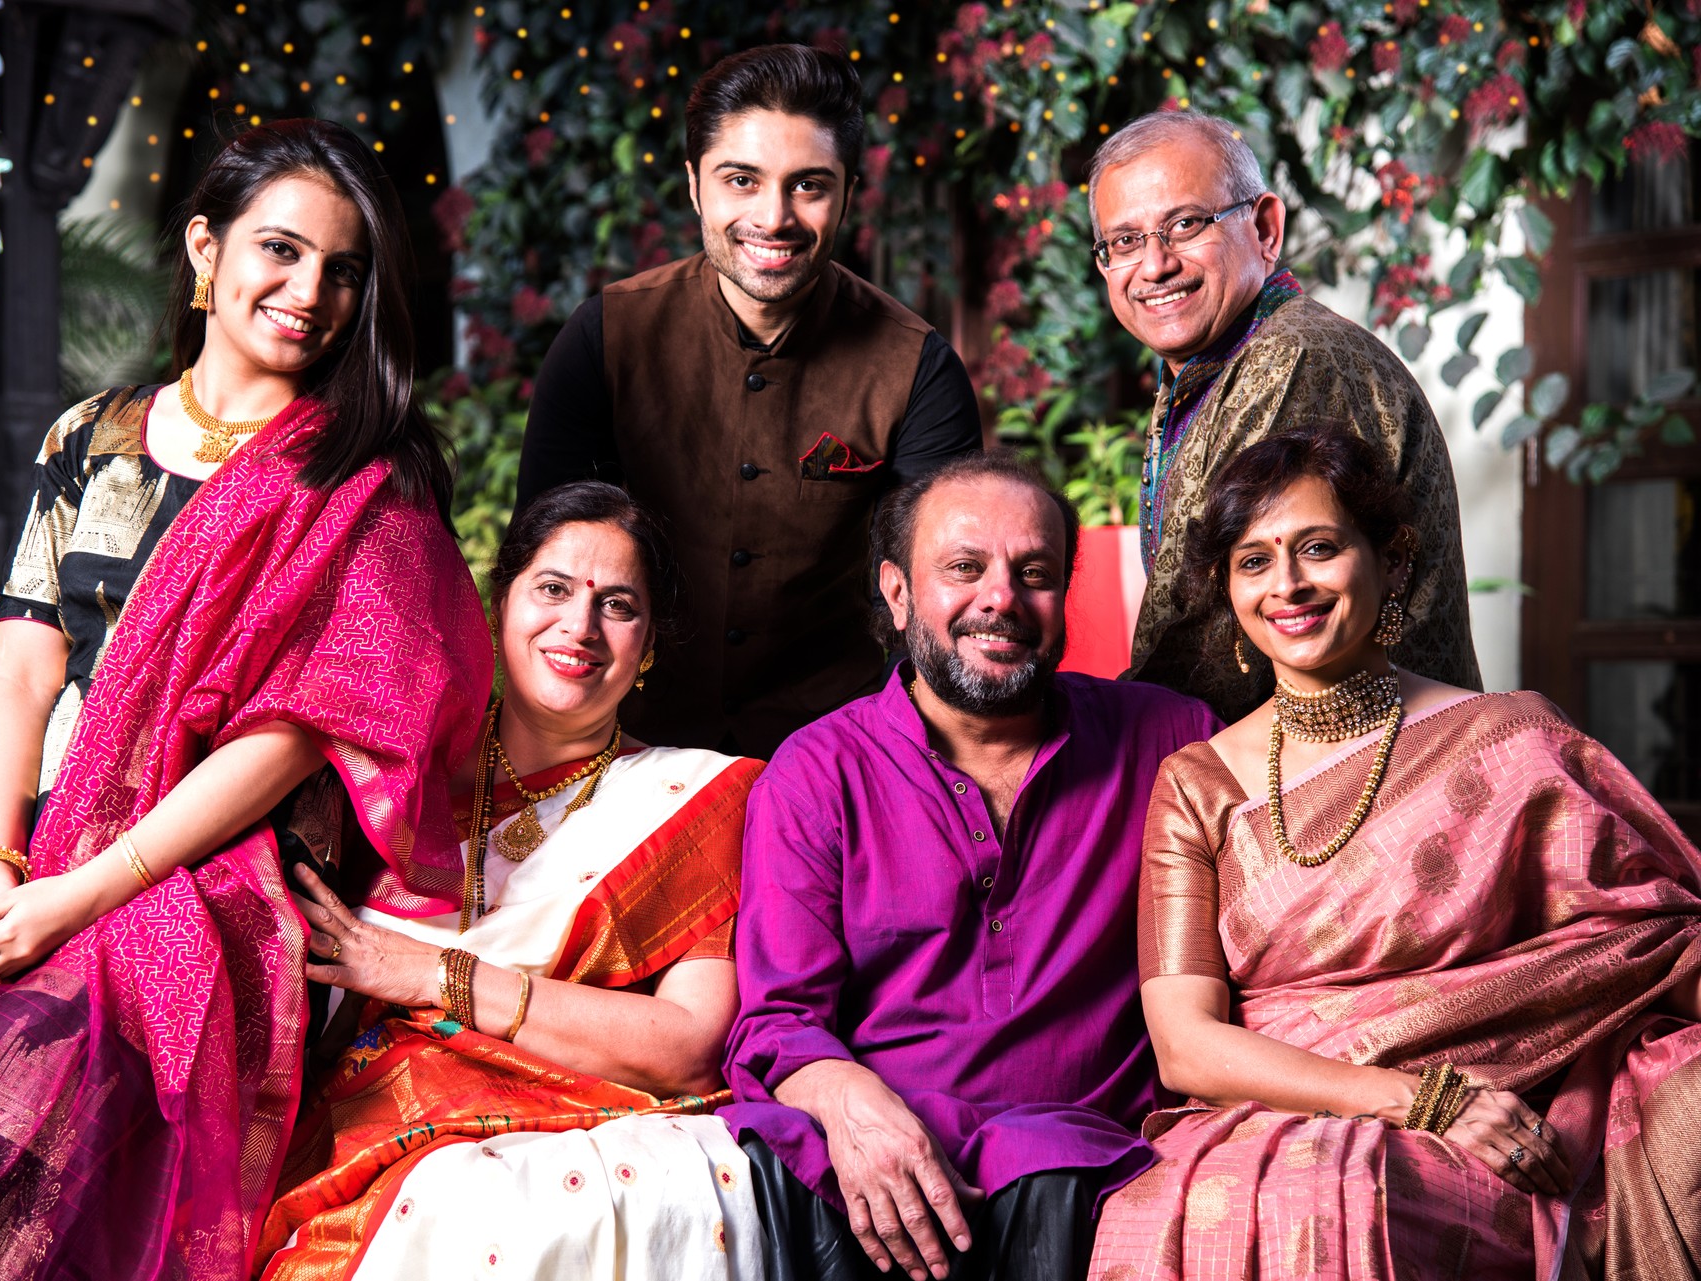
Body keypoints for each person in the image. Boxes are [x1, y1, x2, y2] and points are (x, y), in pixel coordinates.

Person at [0, 121, 492, 1277]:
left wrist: (77, 900)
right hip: (49, 856)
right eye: (280, 249)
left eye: (342, 270)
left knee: (24, 1160)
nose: (309, 291)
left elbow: (290, 738)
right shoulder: (93, 437)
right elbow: (22, 663)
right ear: (206, 252)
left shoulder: (362, 481)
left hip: (219, 883)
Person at [1086, 423, 1701, 1279]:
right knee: (1265, 1197)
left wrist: (1470, 1098)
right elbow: (1187, 1045)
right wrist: (1421, 1101)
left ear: (1393, 564)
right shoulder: (1197, 784)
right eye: (1254, 561)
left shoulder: (1510, 738)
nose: (1289, 585)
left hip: (1503, 1107)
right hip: (1280, 1112)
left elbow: (1650, 938)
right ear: (1229, 590)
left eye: (1320, 547)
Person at [723, 452, 1223, 1281]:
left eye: (1034, 572)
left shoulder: (1170, 742)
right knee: (781, 1154)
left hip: (1080, 1166)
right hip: (878, 1156)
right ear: (896, 592)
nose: (1002, 598)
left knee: (1051, 1161)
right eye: (964, 567)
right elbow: (777, 1022)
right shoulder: (815, 773)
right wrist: (850, 1101)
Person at [255, 482, 767, 1281]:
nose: (581, 626)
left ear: (651, 642)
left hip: (594, 1119)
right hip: (377, 1121)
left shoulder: (700, 800)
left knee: (573, 1201)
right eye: (554, 589)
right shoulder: (394, 776)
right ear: (500, 602)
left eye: (619, 605)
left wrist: (431, 973)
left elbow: (690, 1048)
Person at [517, 43, 982, 758]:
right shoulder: (605, 336)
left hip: (832, 757)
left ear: (849, 193)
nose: (774, 217)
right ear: (696, 187)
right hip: (616, 746)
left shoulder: (917, 367)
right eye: (742, 180)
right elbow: (538, 559)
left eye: (809, 185)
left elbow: (939, 602)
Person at [1087, 109, 1481, 720]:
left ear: (1266, 229)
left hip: (1372, 773)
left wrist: (1088, 739)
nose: (1155, 264)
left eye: (1185, 225)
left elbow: (1217, 642)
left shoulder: (1297, 360)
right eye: (1125, 241)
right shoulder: (1209, 367)